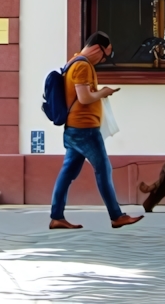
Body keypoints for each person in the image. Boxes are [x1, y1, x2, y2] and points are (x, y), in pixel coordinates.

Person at [49, 31, 143, 230]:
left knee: (67, 173)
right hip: (85, 130)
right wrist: (103, 92)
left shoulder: (73, 62)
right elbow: (84, 98)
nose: (103, 59)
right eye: (105, 54)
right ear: (96, 48)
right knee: (103, 170)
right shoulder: (83, 66)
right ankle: (116, 216)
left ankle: (57, 216)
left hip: (75, 129)